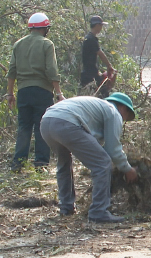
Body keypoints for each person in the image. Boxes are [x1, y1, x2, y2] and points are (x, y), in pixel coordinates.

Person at [40, 93, 139, 223]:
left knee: (64, 164)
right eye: (126, 116)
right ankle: (99, 212)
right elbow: (112, 150)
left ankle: (66, 208)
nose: (124, 120)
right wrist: (127, 169)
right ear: (123, 108)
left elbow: (96, 145)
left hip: (47, 121)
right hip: (66, 123)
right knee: (102, 163)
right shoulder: (113, 111)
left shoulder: (94, 107)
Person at [6, 13, 65, 171]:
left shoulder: (18, 44)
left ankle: (18, 163)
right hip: (42, 91)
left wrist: (10, 93)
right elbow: (51, 70)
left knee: (24, 127)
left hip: (23, 92)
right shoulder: (47, 44)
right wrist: (59, 93)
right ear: (45, 29)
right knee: (42, 127)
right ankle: (41, 164)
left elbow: (12, 71)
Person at [80, 15, 116, 97]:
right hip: (90, 76)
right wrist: (109, 66)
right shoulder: (90, 39)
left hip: (90, 73)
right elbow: (100, 54)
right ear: (97, 25)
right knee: (103, 95)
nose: (101, 28)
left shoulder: (89, 38)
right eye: (101, 26)